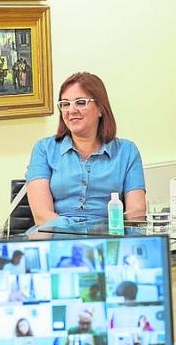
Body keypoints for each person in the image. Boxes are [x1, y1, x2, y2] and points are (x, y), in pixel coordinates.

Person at [25, 72, 147, 228]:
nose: (71, 110)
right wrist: (79, 235)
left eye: (80, 102)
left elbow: (136, 214)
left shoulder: (127, 151)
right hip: (55, 238)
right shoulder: (44, 149)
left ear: (100, 109)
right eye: (65, 104)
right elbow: (42, 216)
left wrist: (102, 236)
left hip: (108, 238)